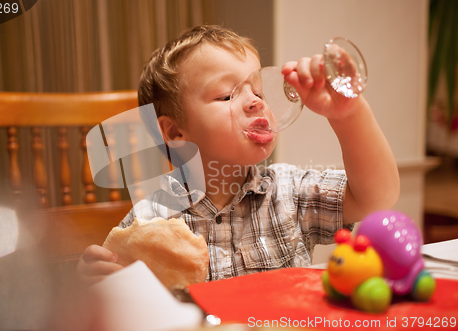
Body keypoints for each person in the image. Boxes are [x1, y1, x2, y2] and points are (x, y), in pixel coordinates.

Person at [77, 25, 400, 285]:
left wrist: (348, 114)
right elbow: (126, 303)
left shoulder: (289, 190)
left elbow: (375, 197)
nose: (255, 101)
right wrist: (99, 282)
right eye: (227, 94)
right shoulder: (151, 220)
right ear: (176, 132)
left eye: (258, 90)